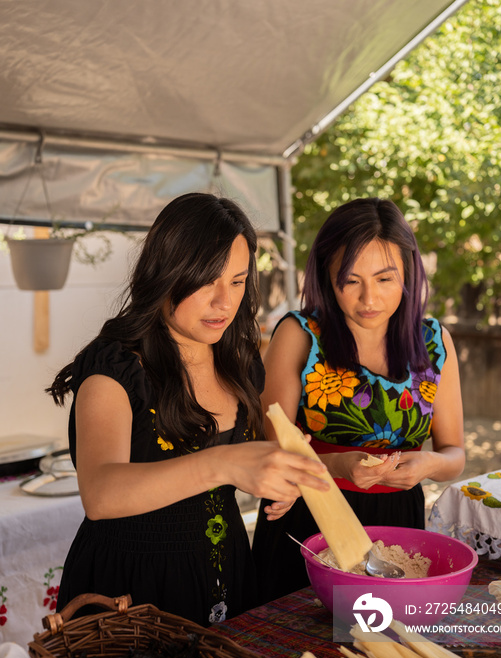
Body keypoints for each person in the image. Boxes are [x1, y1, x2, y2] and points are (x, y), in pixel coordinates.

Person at [47, 192, 329, 626]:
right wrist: (225, 463)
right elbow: (100, 494)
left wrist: (279, 477)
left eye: (237, 282)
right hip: (130, 594)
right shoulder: (116, 367)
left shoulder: (238, 362)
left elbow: (243, 468)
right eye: (206, 280)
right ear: (166, 273)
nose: (224, 301)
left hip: (228, 576)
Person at [252, 197, 465, 603]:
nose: (369, 298)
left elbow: (454, 453)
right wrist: (336, 466)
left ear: (408, 273)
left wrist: (428, 464)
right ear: (327, 277)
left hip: (401, 527)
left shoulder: (435, 343)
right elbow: (270, 448)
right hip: (314, 517)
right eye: (351, 280)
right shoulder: (300, 335)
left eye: (385, 279)